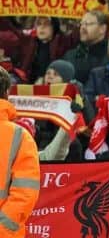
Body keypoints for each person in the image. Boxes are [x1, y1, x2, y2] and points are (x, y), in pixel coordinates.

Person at [0, 66, 40, 237]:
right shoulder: (20, 136)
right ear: (7, 92)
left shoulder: (18, 136)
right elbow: (25, 193)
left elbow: (25, 192)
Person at [62, 10, 109, 85]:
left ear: (102, 29)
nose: (83, 28)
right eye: (81, 24)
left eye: (88, 24)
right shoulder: (70, 55)